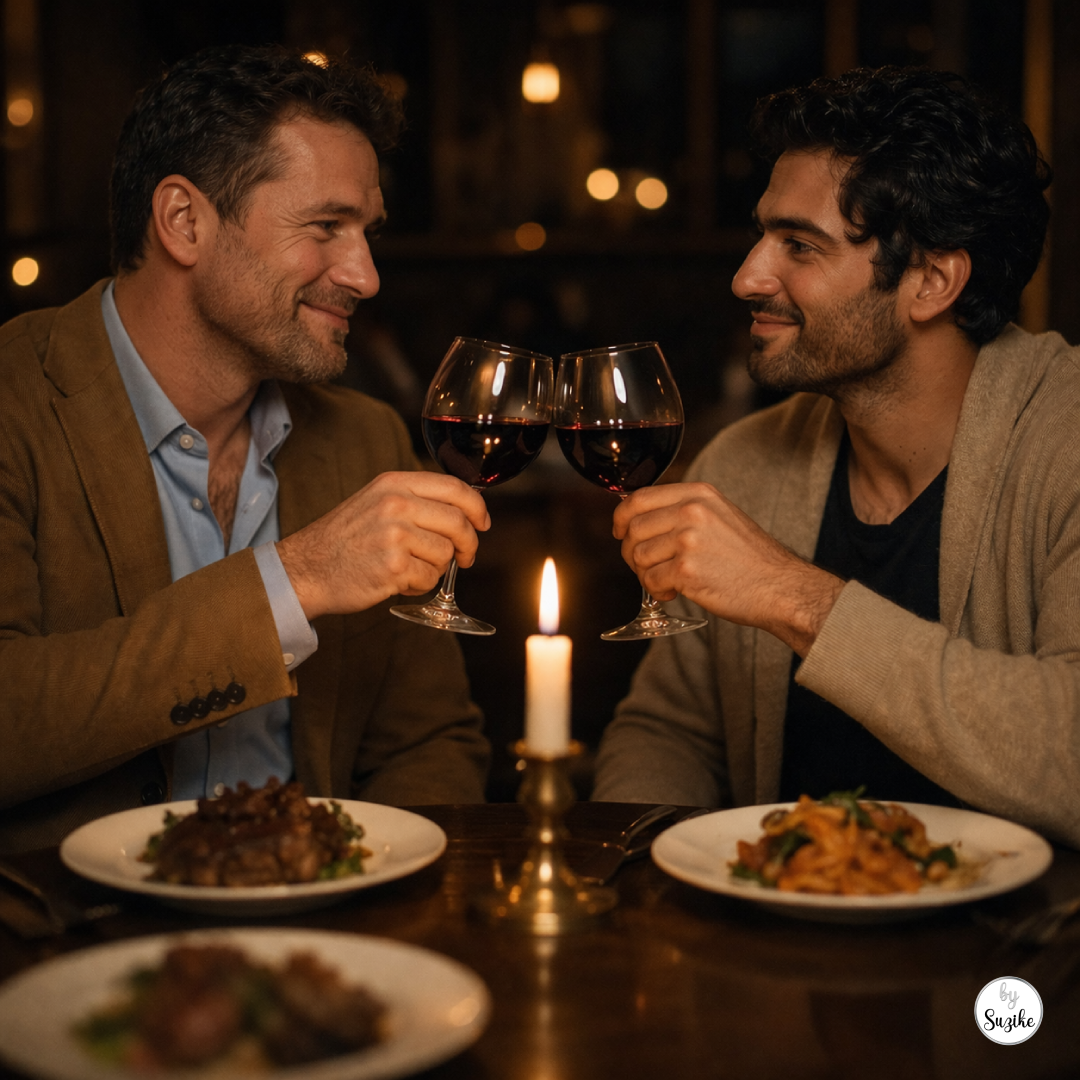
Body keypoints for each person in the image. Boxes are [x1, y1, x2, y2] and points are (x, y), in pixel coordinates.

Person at [0, 45, 491, 852]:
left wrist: (371, 892)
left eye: (366, 232)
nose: (364, 274)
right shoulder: (16, 400)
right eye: (327, 227)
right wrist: (296, 581)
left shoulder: (369, 439)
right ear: (185, 222)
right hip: (69, 940)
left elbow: (430, 743)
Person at [591, 67, 1080, 848]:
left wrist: (792, 598)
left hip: (1019, 957)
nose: (747, 275)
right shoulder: (744, 465)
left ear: (932, 280)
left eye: (799, 245)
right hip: (775, 942)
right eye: (762, 235)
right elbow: (668, 733)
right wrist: (658, 891)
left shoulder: (1066, 443)